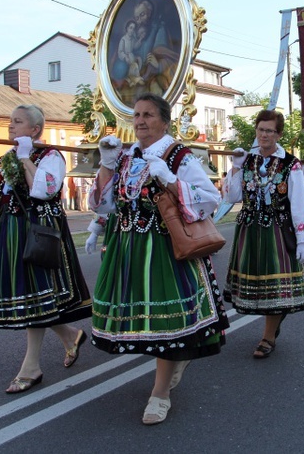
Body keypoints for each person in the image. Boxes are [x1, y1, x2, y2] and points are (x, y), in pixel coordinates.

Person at [89, 93, 229, 425]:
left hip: (165, 250)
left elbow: (210, 200)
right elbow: (106, 204)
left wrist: (169, 179)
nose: (139, 121)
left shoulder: (178, 155)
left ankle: (160, 393)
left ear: (164, 120)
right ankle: (171, 369)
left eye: (148, 115)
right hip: (128, 250)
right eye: (136, 115)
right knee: (145, 322)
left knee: (166, 323)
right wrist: (107, 165)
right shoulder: (125, 156)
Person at [0, 105, 91, 394]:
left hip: (37, 235)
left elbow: (43, 190)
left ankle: (31, 367)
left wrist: (26, 158)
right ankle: (70, 336)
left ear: (35, 130)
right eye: (10, 121)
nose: (11, 126)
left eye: (18, 122)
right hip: (9, 236)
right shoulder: (1, 161)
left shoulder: (51, 156)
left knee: (36, 297)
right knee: (33, 298)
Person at [224, 109, 304, 359]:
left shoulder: (291, 164)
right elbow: (232, 197)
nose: (264, 134)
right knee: (258, 286)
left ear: (278, 134)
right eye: (261, 129)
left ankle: (268, 336)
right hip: (249, 231)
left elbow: (299, 203)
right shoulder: (247, 160)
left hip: (277, 231)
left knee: (277, 288)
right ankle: (271, 329)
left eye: (269, 131)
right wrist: (234, 169)